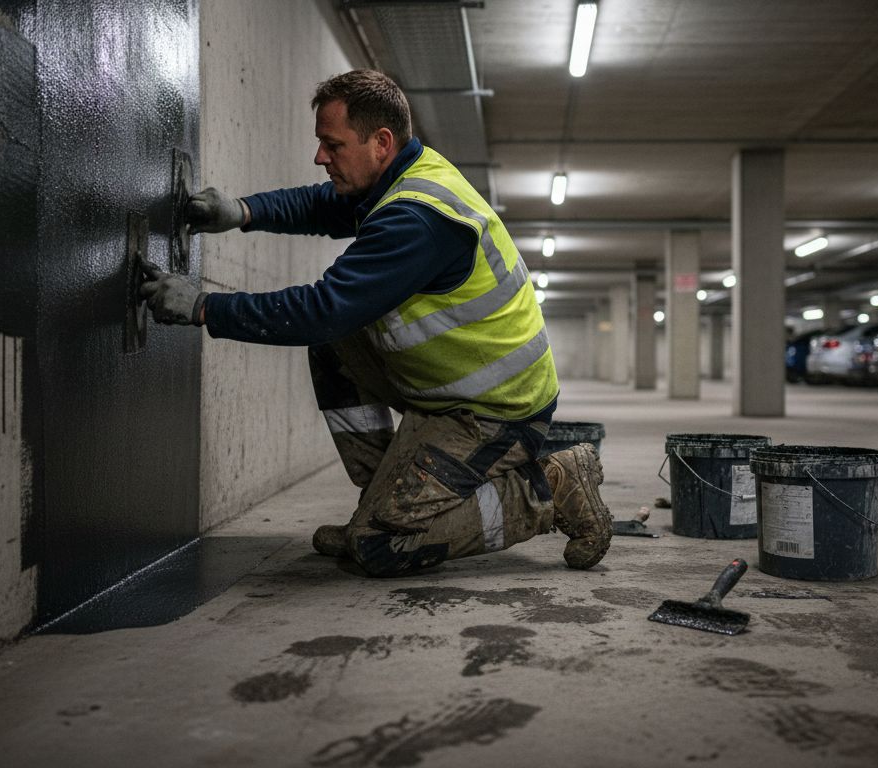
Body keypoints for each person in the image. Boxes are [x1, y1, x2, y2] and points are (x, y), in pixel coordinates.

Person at [140, 69, 612, 577]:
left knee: (383, 548)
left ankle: (552, 487)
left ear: (381, 142)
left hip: (496, 410)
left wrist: (204, 307)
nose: (321, 157)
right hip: (446, 391)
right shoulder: (398, 176)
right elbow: (323, 204)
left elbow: (321, 309)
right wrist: (241, 211)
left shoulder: (416, 218)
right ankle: (380, 504)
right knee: (336, 343)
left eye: (332, 144)